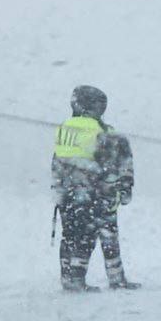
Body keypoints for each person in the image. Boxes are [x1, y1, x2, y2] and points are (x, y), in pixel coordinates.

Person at [51, 85, 137, 292]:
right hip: (95, 192)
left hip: (68, 192)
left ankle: (68, 278)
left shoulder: (64, 128)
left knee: (70, 235)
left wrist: (58, 190)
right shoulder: (104, 132)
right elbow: (110, 164)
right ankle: (114, 279)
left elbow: (57, 161)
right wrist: (119, 189)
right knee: (103, 235)